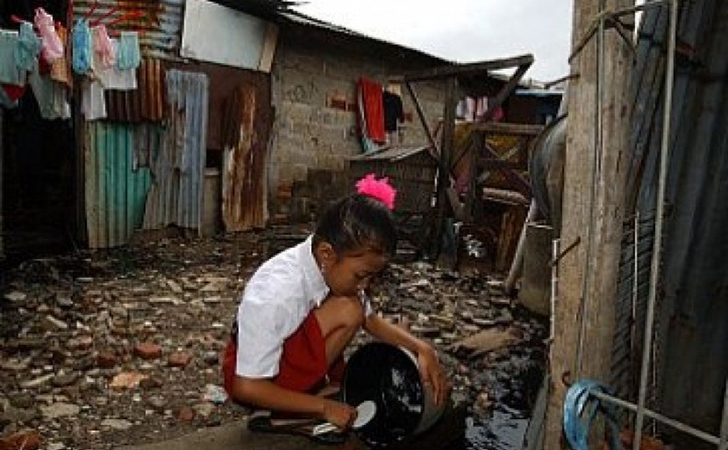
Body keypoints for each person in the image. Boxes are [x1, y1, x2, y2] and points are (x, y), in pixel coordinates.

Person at [222, 174, 451, 444]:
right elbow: (246, 386)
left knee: (353, 308)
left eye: (372, 278)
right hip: (253, 380)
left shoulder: (327, 265)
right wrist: (323, 408)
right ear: (327, 254)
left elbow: (371, 320)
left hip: (283, 362)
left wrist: (422, 348)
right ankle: (284, 410)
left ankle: (306, 392)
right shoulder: (276, 293)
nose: (365, 285)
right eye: (361, 275)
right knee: (348, 310)